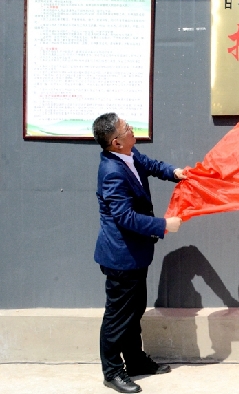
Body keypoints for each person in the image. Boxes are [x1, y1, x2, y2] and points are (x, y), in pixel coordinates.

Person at [92, 112, 186, 393]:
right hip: (121, 256)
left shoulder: (129, 155)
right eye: (127, 128)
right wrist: (163, 225)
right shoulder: (112, 172)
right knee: (117, 317)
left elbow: (151, 165)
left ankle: (134, 360)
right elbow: (125, 217)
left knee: (134, 311)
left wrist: (175, 172)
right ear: (116, 142)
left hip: (136, 254)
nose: (131, 129)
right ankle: (112, 371)